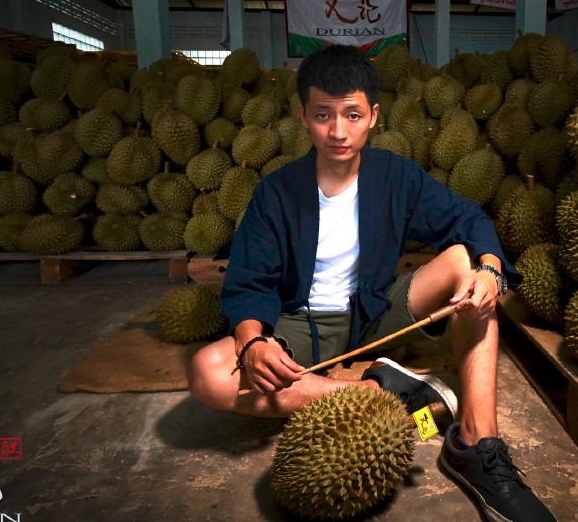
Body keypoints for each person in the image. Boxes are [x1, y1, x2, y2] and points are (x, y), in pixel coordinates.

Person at [188, 44, 555, 522]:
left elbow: (465, 217)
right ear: (302, 116)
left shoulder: (396, 178)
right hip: (299, 327)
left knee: (466, 261)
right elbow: (248, 280)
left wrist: (489, 267)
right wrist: (253, 341)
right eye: (323, 115)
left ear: (373, 116)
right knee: (207, 373)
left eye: (351, 114)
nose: (338, 131)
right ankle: (386, 394)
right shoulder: (274, 193)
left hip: (375, 310)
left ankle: (475, 441)